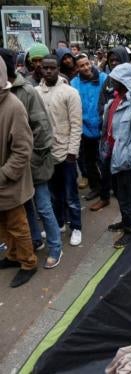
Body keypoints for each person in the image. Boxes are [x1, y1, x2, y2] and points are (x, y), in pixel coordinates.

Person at [0, 48, 63, 268]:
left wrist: (31, 159)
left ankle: (56, 248)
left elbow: (43, 130)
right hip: (17, 167)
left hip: (33, 163)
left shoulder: (25, 91)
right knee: (26, 209)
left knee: (43, 206)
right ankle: (34, 242)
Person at [36, 55, 83, 247]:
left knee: (71, 194)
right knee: (54, 194)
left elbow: (76, 124)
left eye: (52, 68)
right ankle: (60, 223)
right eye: (45, 68)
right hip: (46, 154)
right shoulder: (35, 92)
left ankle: (77, 227)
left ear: (58, 69)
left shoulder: (70, 92)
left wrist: (73, 151)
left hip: (66, 152)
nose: (48, 71)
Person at [100, 63, 131, 247]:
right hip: (112, 156)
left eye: (116, 79)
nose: (112, 81)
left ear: (125, 81)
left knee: (127, 195)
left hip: (125, 160)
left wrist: (129, 157)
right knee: (120, 194)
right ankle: (125, 221)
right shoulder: (115, 99)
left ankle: (130, 230)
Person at [0, 56, 38, 287]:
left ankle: (28, 262)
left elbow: (23, 150)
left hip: (10, 181)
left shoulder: (13, 106)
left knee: (18, 225)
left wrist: (3, 175)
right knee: (2, 224)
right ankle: (13, 256)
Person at [90, 47, 130, 212]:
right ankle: (104, 197)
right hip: (108, 135)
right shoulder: (108, 81)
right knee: (105, 166)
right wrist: (103, 118)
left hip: (123, 135)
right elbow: (101, 103)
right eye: (111, 60)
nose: (114, 63)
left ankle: (123, 200)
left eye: (117, 60)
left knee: (122, 169)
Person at [71, 54, 107, 202]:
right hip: (84, 128)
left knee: (104, 160)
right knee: (89, 161)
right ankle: (95, 187)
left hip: (102, 126)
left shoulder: (104, 78)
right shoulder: (74, 83)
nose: (86, 67)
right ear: (77, 68)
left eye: (87, 64)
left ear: (91, 63)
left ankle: (107, 187)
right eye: (81, 65)